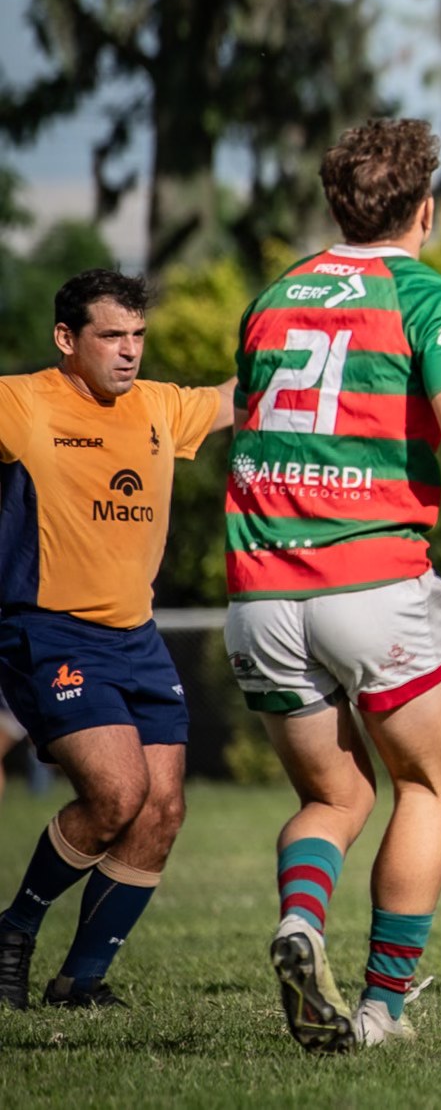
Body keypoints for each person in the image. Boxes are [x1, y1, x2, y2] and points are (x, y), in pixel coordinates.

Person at [222, 119, 441, 1054]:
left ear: (337, 204)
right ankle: (382, 1010)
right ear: (425, 207)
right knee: (425, 786)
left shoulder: (275, 295)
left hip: (260, 591)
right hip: (369, 580)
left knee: (335, 799)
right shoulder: (426, 294)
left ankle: (301, 921)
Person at [0, 269, 234, 1010]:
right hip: (47, 629)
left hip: (137, 636)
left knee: (160, 810)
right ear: (67, 340)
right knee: (117, 793)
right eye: (112, 336)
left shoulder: (162, 406)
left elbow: (244, 394)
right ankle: (14, 930)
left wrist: (322, 335)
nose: (129, 352)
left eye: (138, 335)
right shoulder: (24, 402)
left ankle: (82, 982)